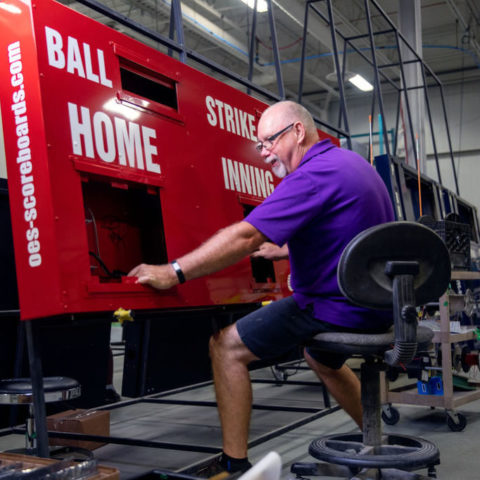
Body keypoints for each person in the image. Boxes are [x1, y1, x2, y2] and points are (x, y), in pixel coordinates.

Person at [128, 100, 395, 476]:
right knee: (321, 358)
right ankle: (376, 439)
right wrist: (286, 249)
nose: (265, 153)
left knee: (225, 346)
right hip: (380, 305)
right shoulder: (353, 164)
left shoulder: (312, 175)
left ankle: (235, 465)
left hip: (335, 306)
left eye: (269, 141)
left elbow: (246, 235)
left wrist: (174, 271)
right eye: (260, 145)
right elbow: (347, 235)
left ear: (298, 132)